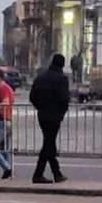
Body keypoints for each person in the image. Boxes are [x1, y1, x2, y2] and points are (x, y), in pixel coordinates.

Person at [29, 53, 70, 184]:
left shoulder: (41, 77)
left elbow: (32, 96)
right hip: (55, 116)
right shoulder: (62, 79)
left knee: (49, 143)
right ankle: (38, 174)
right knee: (48, 144)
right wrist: (61, 113)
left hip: (42, 115)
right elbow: (64, 99)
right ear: (62, 64)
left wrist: (40, 107)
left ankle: (57, 173)